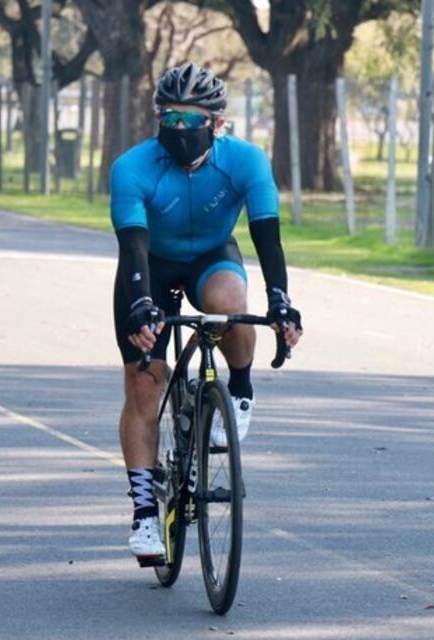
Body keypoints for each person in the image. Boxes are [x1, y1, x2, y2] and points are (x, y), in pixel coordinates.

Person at [110, 62, 302, 563]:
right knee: (144, 382)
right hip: (150, 263)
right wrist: (140, 308)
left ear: (217, 124)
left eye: (191, 121)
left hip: (211, 256)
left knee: (230, 306)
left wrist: (280, 299)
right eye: (169, 119)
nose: (179, 130)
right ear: (157, 118)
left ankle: (238, 388)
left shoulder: (246, 161)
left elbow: (267, 236)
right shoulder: (133, 166)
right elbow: (131, 246)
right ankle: (146, 512)